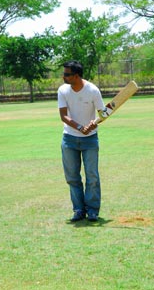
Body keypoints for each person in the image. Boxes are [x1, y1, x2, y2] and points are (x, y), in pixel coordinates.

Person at [58, 60, 105, 222]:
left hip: (90, 140)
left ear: (76, 76)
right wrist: (79, 127)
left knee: (92, 176)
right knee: (72, 177)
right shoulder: (63, 90)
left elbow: (102, 114)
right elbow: (63, 115)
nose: (63, 77)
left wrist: (94, 123)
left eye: (67, 74)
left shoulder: (92, 90)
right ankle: (79, 210)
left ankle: (92, 210)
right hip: (69, 139)